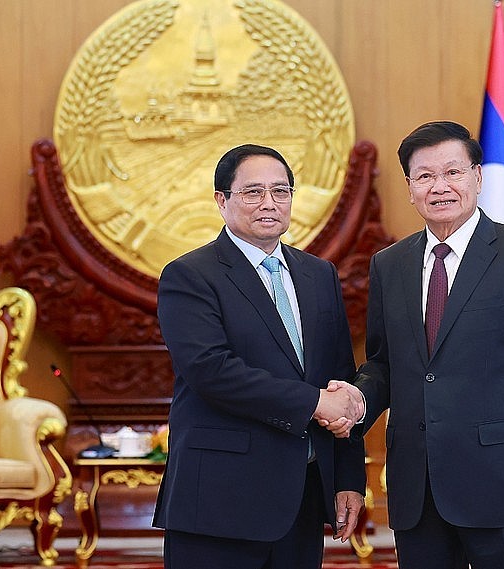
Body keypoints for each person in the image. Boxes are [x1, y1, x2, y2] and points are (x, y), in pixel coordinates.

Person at [352, 121, 504, 569]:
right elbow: (383, 364)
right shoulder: (388, 265)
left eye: (453, 172)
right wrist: (355, 401)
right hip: (418, 487)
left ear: (477, 177)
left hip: (501, 482)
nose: (441, 186)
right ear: (410, 187)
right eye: (426, 176)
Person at [153, 144, 366, 569]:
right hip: (218, 501)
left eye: (281, 191)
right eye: (253, 192)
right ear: (222, 200)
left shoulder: (318, 274)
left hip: (302, 497)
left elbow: (340, 375)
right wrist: (314, 403)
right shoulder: (190, 275)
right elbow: (212, 371)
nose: (269, 203)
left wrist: (348, 479)